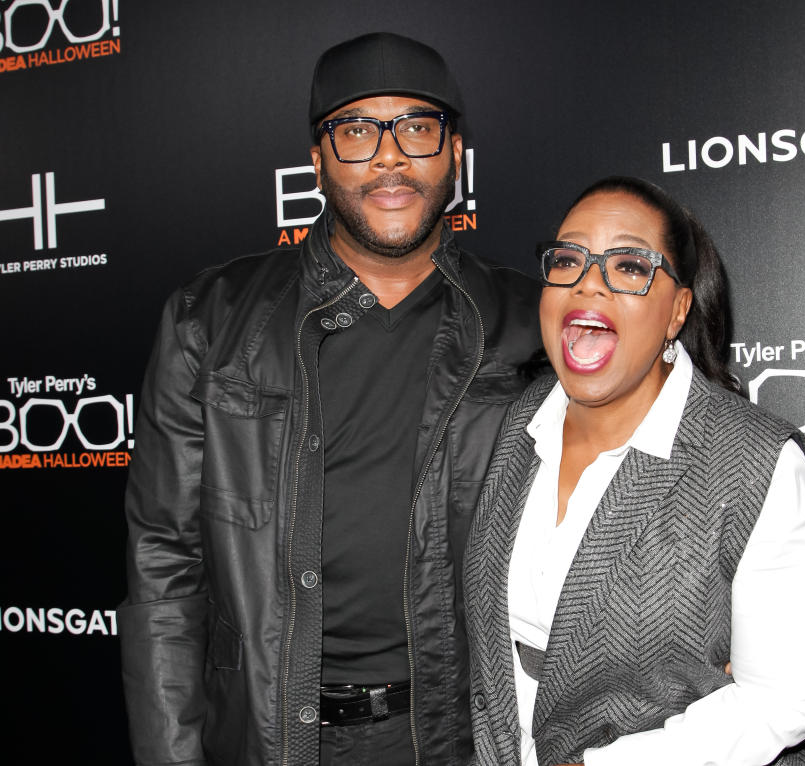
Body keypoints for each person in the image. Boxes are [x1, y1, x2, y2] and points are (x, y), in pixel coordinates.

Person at [119, 32, 540, 766]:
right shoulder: (209, 320)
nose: (389, 156)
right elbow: (163, 568)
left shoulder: (531, 323)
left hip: (460, 739)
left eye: (417, 127)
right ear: (316, 161)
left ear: (454, 154)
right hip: (270, 739)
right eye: (355, 130)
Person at [464, 176, 805, 766]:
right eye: (569, 259)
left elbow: (788, 700)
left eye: (630, 266)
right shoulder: (520, 423)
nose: (589, 282)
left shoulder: (756, 463)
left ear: (678, 310)